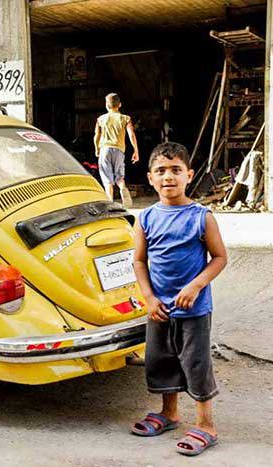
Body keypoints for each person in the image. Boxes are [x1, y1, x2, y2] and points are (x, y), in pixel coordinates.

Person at [130, 142, 227, 457]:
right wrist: (148, 297)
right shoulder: (145, 218)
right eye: (160, 170)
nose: (168, 177)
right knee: (162, 361)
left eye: (175, 170)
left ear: (189, 174)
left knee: (196, 364)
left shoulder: (201, 216)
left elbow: (219, 257)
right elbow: (140, 261)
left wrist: (196, 285)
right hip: (159, 309)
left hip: (194, 310)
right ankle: (169, 414)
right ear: (150, 178)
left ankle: (206, 425)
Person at [94, 92, 139, 207]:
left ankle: (110, 202)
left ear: (106, 105)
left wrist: (97, 149)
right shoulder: (125, 118)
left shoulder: (101, 119)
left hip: (105, 149)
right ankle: (123, 188)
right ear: (119, 105)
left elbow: (96, 136)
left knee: (107, 178)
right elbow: (131, 134)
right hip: (119, 150)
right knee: (119, 176)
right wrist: (136, 151)